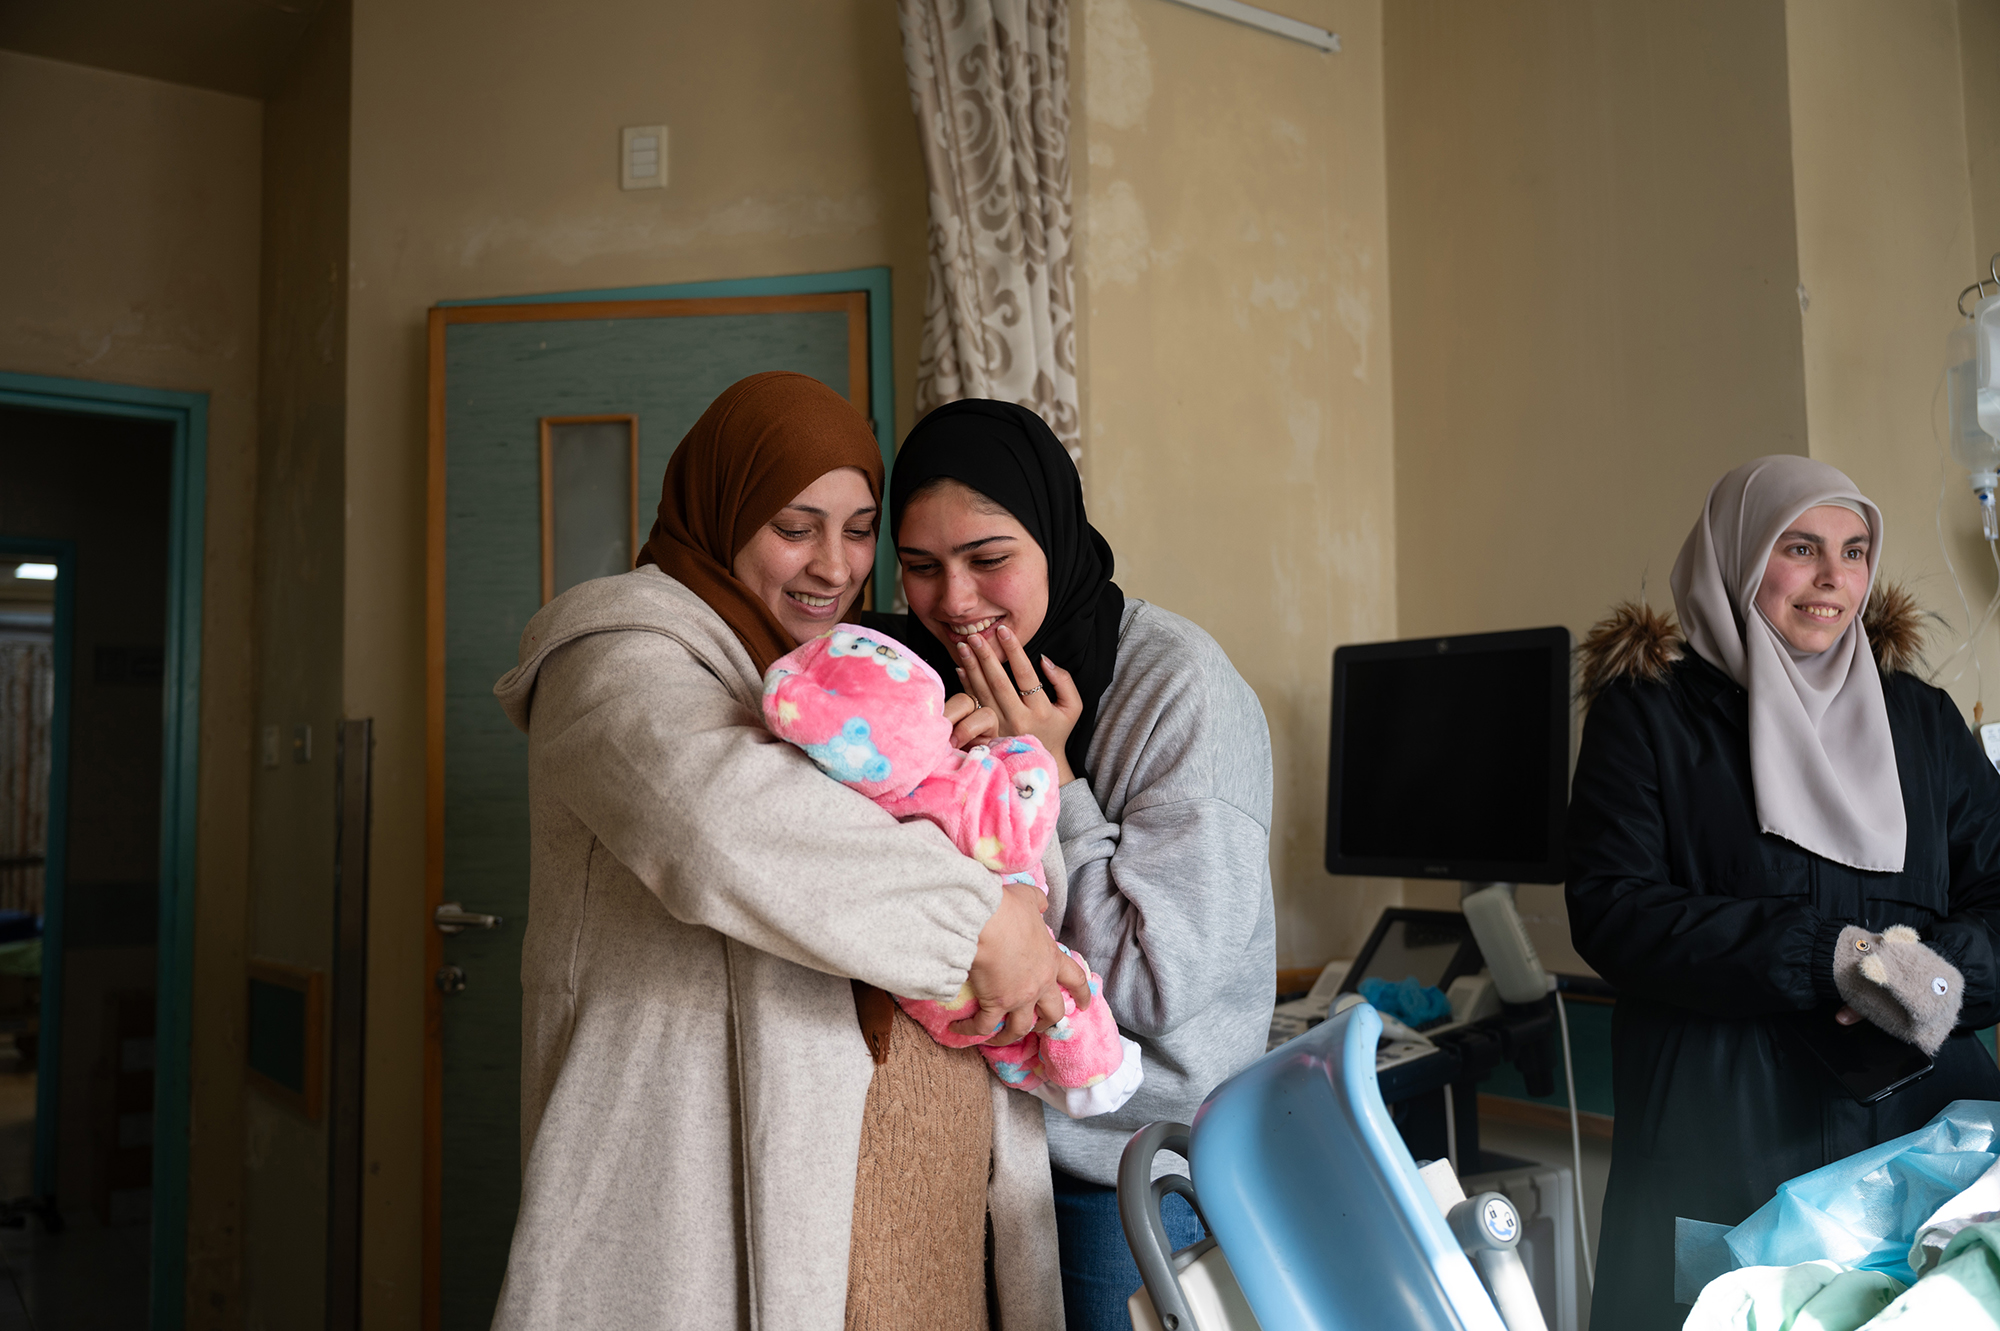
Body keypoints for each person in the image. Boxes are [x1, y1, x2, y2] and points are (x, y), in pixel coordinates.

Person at [488, 373, 1085, 1331]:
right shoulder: (613, 655)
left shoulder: (848, 674)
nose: (834, 565)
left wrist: (1012, 773)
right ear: (722, 508)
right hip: (683, 1189)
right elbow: (718, 820)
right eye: (795, 525)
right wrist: (978, 926)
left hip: (899, 1219)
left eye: (858, 529)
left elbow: (985, 852)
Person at [1567, 454, 2000, 1331]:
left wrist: (1926, 971)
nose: (1833, 578)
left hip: (1923, 1143)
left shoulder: (1922, 721)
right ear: (1736, 557)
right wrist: (1830, 958)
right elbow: (1614, 910)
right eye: (1800, 548)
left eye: (1854, 550)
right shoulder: (1648, 718)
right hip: (1725, 1131)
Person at [873, 399, 1277, 1331]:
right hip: (993, 1139)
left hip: (1127, 1166)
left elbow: (1148, 985)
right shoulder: (930, 673)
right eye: (923, 566)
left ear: (1053, 535)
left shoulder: (1179, 694)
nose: (956, 602)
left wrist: (1053, 776)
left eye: (989, 558)